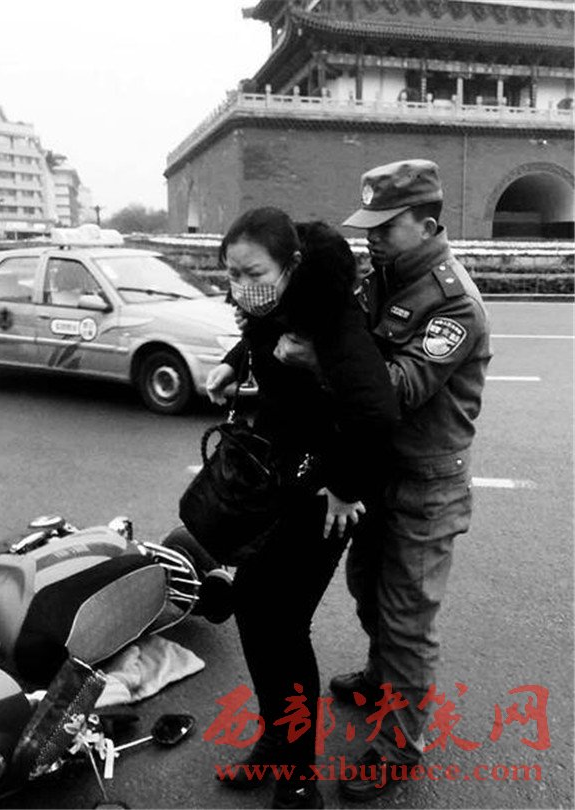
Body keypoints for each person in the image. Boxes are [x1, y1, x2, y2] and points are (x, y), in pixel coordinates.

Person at [277, 159, 492, 801]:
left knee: (406, 620)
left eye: (385, 227)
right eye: (367, 226)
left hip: (426, 484)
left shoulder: (452, 303)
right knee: (367, 588)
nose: (371, 238)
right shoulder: (383, 277)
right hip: (377, 470)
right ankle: (380, 678)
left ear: (427, 224)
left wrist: (318, 359)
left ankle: (400, 745)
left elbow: (395, 389)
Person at [205, 208, 399, 809]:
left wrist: (345, 487)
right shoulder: (275, 304)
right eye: (232, 273)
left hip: (329, 494)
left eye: (253, 273)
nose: (243, 286)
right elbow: (258, 333)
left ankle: (297, 778)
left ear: (292, 265)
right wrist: (234, 362)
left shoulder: (330, 318)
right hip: (286, 477)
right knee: (253, 608)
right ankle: (276, 742)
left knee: (282, 625)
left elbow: (377, 413)